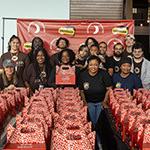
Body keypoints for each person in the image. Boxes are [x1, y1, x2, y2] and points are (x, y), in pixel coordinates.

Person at [78, 55, 112, 127]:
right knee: (92, 121)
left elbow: (109, 89)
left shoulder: (104, 74)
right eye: (91, 65)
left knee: (99, 122)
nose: (93, 67)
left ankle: (97, 134)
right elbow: (81, 91)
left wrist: (104, 101)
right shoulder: (82, 75)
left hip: (101, 102)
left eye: (95, 65)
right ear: (87, 65)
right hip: (89, 102)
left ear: (99, 65)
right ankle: (94, 134)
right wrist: (85, 103)